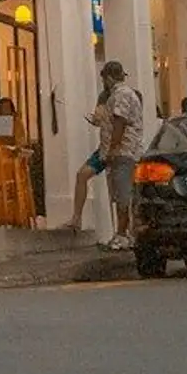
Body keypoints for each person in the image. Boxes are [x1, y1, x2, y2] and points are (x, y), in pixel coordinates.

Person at [60, 68, 116, 235]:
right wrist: (95, 118)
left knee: (116, 189)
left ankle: (121, 229)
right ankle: (76, 218)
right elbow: (98, 120)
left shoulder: (121, 97)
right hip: (104, 148)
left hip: (117, 148)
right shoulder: (103, 96)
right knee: (82, 174)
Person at [98, 59, 144, 250]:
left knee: (123, 195)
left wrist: (112, 149)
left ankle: (122, 234)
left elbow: (119, 122)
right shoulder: (127, 94)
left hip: (124, 152)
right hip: (128, 151)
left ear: (108, 78)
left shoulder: (121, 95)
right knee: (124, 194)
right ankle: (126, 234)